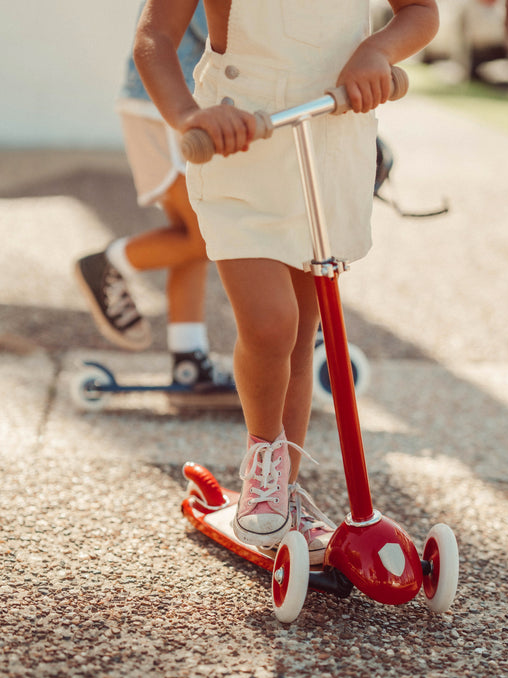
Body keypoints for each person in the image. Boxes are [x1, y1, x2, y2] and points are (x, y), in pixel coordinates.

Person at [133, 0, 439, 562]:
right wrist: (187, 115)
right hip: (240, 143)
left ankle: (285, 487)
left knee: (301, 337)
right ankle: (263, 464)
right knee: (271, 325)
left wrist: (377, 50)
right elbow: (154, 37)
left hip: (326, 142)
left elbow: (420, 11)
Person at [75, 2, 235, 396]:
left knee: (190, 235)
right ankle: (108, 263)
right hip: (167, 106)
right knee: (205, 236)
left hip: (166, 103)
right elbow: (228, 35)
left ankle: (188, 357)